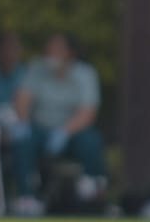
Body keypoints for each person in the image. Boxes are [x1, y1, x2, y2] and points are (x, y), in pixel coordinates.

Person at [14, 32, 108, 201]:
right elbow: (22, 99)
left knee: (90, 140)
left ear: (70, 53)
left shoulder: (85, 74)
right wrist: (23, 122)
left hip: (70, 133)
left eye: (57, 50)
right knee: (23, 142)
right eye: (49, 50)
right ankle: (26, 196)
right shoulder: (37, 69)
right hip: (40, 129)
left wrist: (64, 132)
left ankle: (92, 188)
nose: (51, 54)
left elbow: (87, 113)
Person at [0, 31, 40, 216]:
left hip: (18, 128)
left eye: (15, 48)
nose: (11, 52)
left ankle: (25, 196)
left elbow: (26, 104)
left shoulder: (25, 73)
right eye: (6, 47)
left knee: (24, 143)